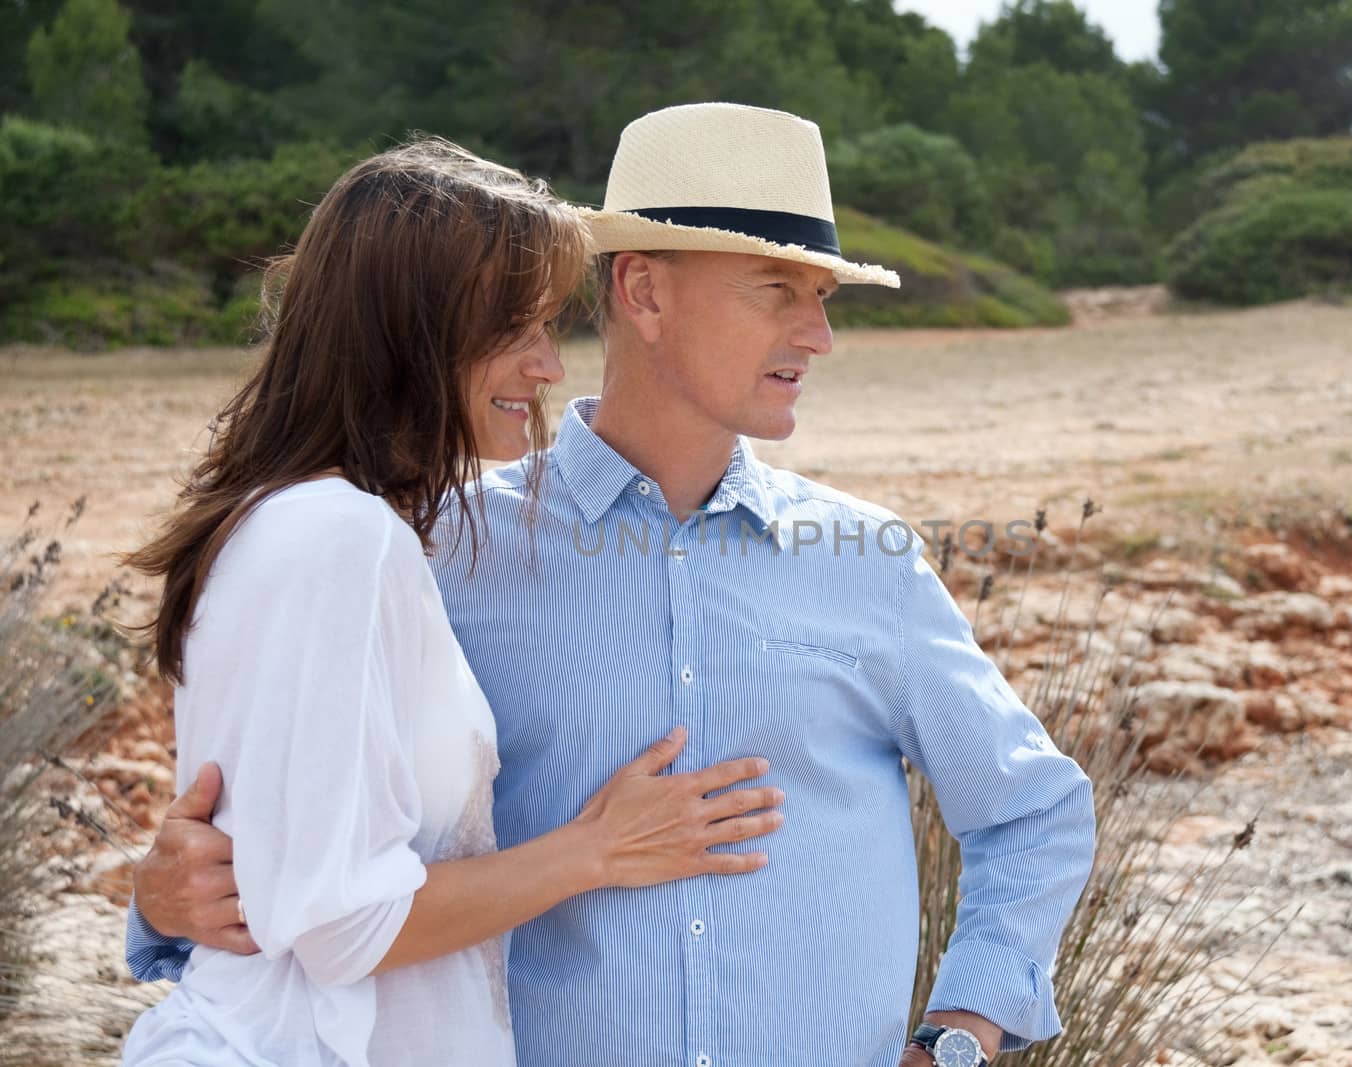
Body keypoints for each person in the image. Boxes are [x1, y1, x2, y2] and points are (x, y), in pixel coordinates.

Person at [128, 104, 1096, 1067]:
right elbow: (311, 850)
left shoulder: (867, 561)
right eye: (776, 288)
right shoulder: (434, 549)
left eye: (824, 296)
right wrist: (161, 901)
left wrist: (958, 1037)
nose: (818, 333)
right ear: (643, 292)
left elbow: (1032, 811)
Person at [116, 137, 783, 1067]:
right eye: (518, 327)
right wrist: (599, 847)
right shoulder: (339, 536)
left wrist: (155, 903)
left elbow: (276, 865)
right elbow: (345, 925)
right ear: (413, 329)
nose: (550, 367)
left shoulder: (290, 522)